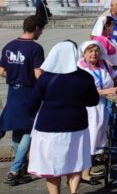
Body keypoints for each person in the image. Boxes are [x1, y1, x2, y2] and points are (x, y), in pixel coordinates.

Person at [26, 41, 99, 194]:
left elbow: (32, 103)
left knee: (51, 166)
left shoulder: (45, 78)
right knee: (75, 161)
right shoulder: (85, 77)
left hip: (48, 126)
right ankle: (74, 191)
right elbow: (93, 101)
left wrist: (32, 116)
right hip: (76, 125)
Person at [0, 16, 46, 186]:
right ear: (36, 28)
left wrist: (14, 76)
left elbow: (1, 70)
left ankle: (18, 169)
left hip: (13, 92)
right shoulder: (35, 48)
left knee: (18, 129)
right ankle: (14, 169)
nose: (41, 33)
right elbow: (37, 74)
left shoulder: (9, 46)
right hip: (28, 92)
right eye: (41, 29)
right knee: (29, 129)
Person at [76, 41, 117, 185]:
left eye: (96, 51)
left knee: (99, 137)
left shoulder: (104, 65)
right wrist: (106, 91)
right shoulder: (79, 68)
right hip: (88, 107)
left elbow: (115, 79)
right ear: (84, 53)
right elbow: (83, 90)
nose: (93, 54)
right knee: (90, 137)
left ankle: (88, 169)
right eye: (90, 51)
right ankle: (84, 173)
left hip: (103, 105)